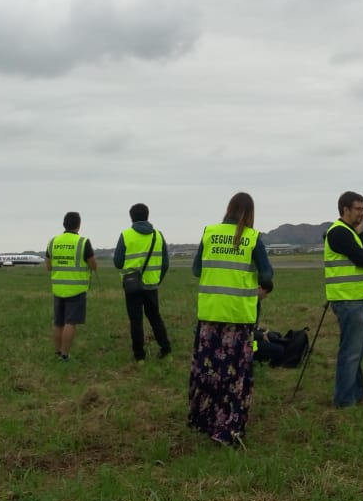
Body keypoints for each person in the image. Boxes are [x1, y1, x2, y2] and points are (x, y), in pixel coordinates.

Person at [189, 191, 273, 448]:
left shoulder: (210, 233)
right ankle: (228, 426)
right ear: (250, 214)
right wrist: (260, 288)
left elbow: (196, 269)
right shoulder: (252, 238)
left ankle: (203, 419)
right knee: (234, 375)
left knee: (208, 370)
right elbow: (267, 274)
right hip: (238, 318)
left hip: (210, 314)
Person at [324, 191, 363, 408]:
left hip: (361, 298)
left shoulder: (352, 232)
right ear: (344, 209)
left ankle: (356, 393)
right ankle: (344, 400)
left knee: (361, 349)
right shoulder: (338, 233)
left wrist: (362, 234)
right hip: (348, 301)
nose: (362, 213)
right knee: (350, 351)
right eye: (358, 209)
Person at [113, 203, 172, 361]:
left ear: (131, 217)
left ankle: (139, 355)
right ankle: (165, 348)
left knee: (136, 320)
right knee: (155, 317)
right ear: (147, 215)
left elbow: (118, 262)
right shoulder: (158, 235)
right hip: (151, 285)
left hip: (132, 285)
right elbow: (165, 263)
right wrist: (157, 279)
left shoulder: (126, 235)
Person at [47, 212, 96, 362]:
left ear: (64, 224)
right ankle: (65, 355)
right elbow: (93, 265)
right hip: (76, 289)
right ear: (78, 225)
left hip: (58, 288)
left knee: (58, 323)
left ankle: (57, 353)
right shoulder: (83, 242)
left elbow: (48, 266)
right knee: (70, 323)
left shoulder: (53, 241)